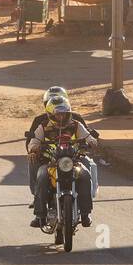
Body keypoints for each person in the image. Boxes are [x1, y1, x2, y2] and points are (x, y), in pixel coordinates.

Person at [27, 96, 96, 228]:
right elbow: (33, 143)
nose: (61, 117)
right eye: (57, 114)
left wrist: (91, 142)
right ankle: (39, 215)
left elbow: (89, 137)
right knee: (41, 177)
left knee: (86, 176)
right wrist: (35, 148)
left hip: (73, 162)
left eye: (63, 114)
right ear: (51, 115)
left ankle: (86, 214)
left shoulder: (76, 124)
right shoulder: (43, 127)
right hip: (49, 163)